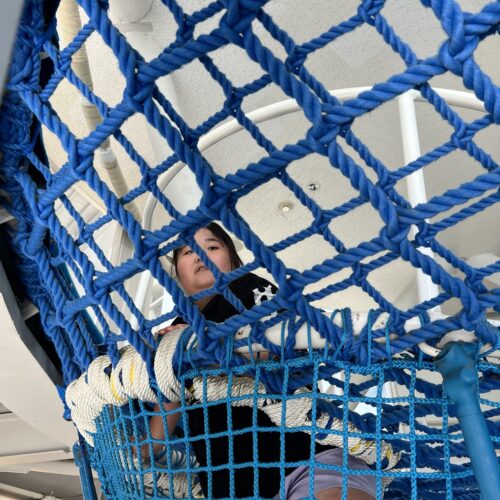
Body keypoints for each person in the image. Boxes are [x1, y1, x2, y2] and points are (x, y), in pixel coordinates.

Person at [151, 222, 377, 499]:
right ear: (177, 273)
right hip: (231, 482)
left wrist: (202, 348)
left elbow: (268, 349)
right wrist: (152, 444)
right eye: (188, 252)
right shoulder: (179, 325)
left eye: (212, 247)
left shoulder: (249, 288)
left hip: (305, 455)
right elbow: (169, 389)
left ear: (233, 261)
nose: (200, 254)